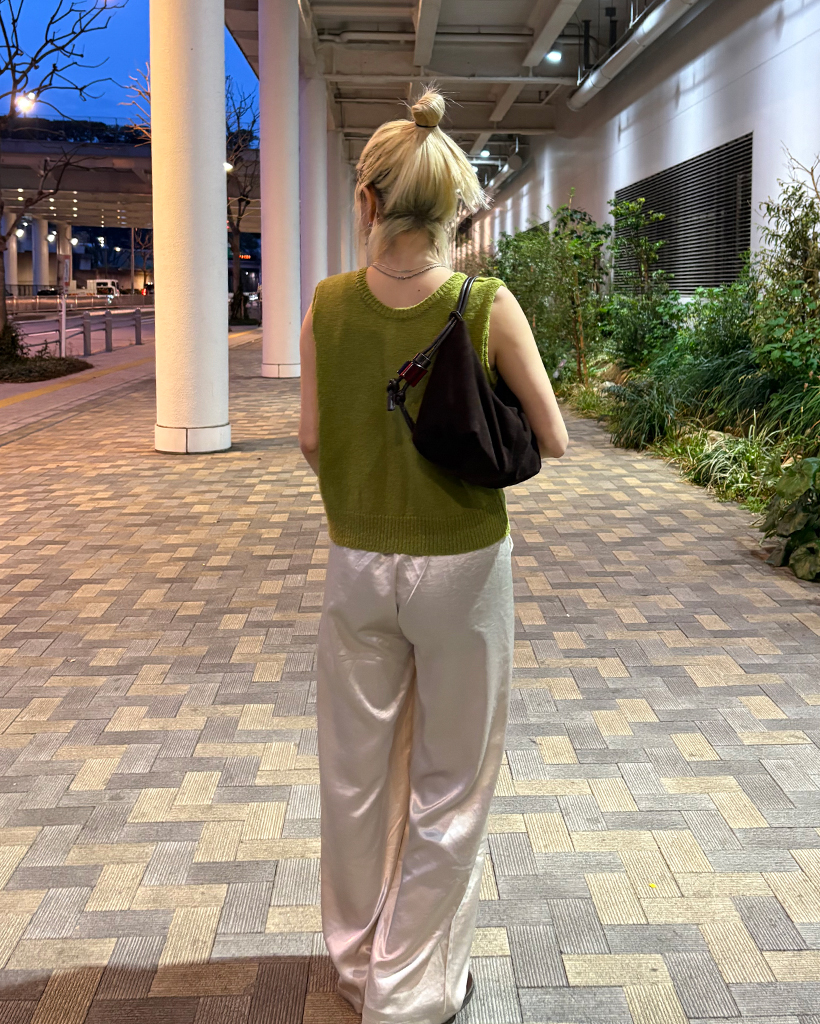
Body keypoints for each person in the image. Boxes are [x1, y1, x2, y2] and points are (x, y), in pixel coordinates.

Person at [299, 88, 568, 1024]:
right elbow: (554, 437)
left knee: (355, 770)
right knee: (453, 778)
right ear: (454, 206)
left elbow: (309, 439)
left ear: (367, 201)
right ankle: (409, 985)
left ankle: (354, 961)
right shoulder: (485, 303)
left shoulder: (328, 306)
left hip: (357, 562)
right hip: (462, 563)